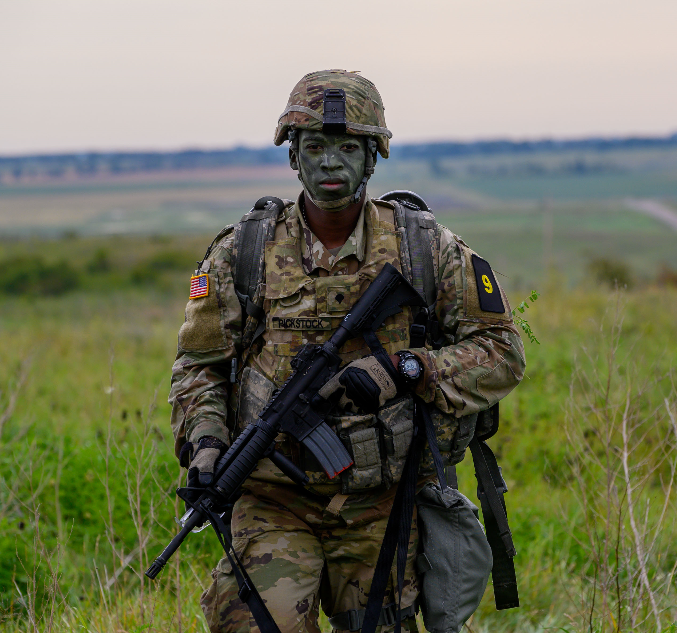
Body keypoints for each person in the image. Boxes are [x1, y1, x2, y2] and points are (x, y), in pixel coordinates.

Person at [169, 69, 526, 633]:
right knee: (256, 622)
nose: (330, 163)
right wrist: (206, 445)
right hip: (272, 496)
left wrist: (407, 368)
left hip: (382, 499)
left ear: (372, 157)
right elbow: (200, 366)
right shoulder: (245, 250)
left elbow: (502, 350)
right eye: (315, 148)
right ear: (294, 158)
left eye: (347, 148)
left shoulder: (423, 246)